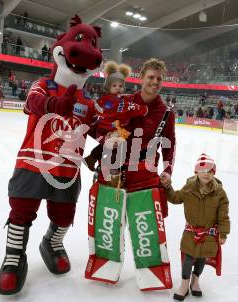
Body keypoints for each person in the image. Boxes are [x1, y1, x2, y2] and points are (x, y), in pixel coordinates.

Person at [0, 15, 103, 295]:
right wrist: (56, 103)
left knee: (65, 215)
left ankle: (52, 243)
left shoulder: (88, 103)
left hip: (67, 170)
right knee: (21, 210)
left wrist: (114, 136)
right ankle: (14, 257)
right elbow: (32, 102)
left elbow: (98, 129)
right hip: (33, 163)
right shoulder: (44, 84)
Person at [85, 58, 176, 291]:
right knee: (108, 224)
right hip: (112, 173)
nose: (155, 82)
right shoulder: (121, 101)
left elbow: (169, 145)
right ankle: (103, 266)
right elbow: (97, 127)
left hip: (144, 176)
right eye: (151, 77)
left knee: (146, 227)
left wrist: (167, 170)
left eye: (159, 79)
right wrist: (106, 139)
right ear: (141, 78)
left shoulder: (166, 112)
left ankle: (153, 273)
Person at [162, 154, 230, 301]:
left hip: (209, 234)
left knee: (201, 258)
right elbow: (175, 198)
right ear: (196, 172)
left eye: (210, 171)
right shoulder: (189, 188)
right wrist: (168, 187)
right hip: (191, 233)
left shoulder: (220, 193)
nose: (206, 173)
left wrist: (223, 233)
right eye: (203, 170)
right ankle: (184, 284)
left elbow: (223, 215)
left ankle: (195, 281)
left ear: (214, 173)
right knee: (188, 258)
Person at [83, 60, 148, 176]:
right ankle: (114, 169)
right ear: (108, 87)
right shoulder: (121, 103)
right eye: (114, 86)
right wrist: (144, 109)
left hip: (104, 130)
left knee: (108, 144)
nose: (118, 88)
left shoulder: (105, 99)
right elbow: (133, 108)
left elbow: (96, 107)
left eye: (120, 86)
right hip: (113, 130)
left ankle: (91, 158)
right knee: (119, 146)